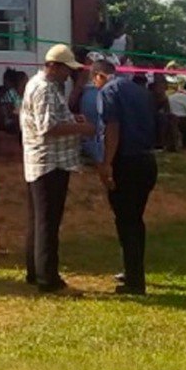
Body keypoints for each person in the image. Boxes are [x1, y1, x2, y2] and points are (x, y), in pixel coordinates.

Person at [19, 44, 93, 294]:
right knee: (48, 223)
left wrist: (72, 119)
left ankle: (35, 271)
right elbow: (48, 127)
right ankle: (49, 280)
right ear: (54, 66)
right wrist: (82, 129)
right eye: (67, 70)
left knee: (38, 221)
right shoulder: (46, 89)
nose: (69, 75)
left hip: (41, 162)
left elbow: (53, 120)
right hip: (50, 162)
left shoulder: (39, 85)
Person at [91, 55, 158, 295]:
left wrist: (107, 163)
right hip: (147, 160)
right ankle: (132, 269)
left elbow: (112, 127)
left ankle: (134, 281)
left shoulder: (108, 92)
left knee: (126, 220)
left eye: (94, 80)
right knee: (135, 219)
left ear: (99, 75)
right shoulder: (139, 91)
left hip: (126, 162)